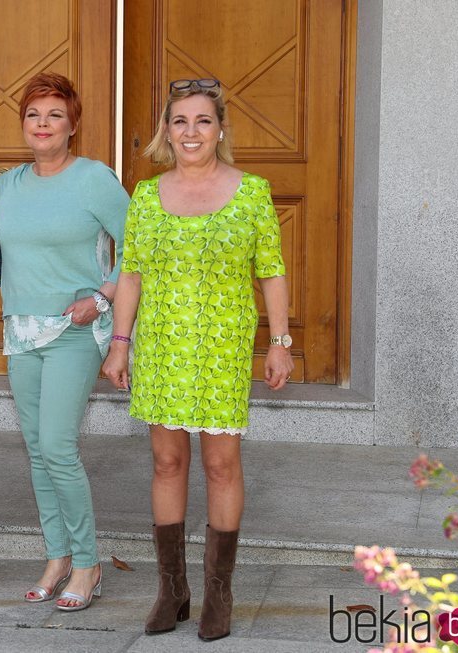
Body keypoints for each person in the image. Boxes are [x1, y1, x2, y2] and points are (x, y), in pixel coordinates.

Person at [102, 78, 293, 640]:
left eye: (202, 121)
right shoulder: (145, 196)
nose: (191, 132)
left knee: (220, 465)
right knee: (166, 463)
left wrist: (279, 343)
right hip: (162, 347)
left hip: (222, 349)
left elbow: (271, 272)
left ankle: (218, 593)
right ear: (167, 130)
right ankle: (173, 590)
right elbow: (131, 275)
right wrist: (120, 342)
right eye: (180, 122)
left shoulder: (252, 192)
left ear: (221, 129)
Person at [0, 72, 130, 612]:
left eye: (54, 115)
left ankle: (88, 564)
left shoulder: (93, 179)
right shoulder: (6, 186)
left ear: (72, 125)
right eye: (33, 115)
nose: (42, 125)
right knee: (38, 453)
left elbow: (139, 246)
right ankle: (57, 555)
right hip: (21, 332)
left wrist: (106, 295)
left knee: (59, 448)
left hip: (74, 329)